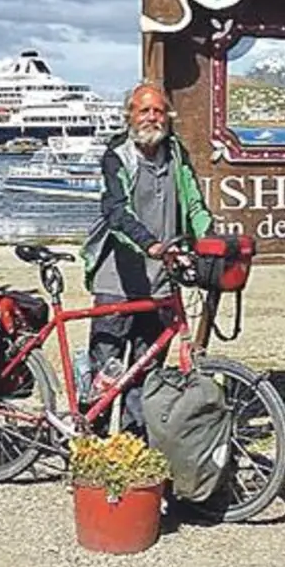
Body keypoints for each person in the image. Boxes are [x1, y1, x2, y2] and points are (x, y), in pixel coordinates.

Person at [80, 82, 214, 437]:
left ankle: (132, 446)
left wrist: (211, 242)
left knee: (146, 370)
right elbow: (116, 212)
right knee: (105, 371)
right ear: (129, 116)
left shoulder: (175, 154)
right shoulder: (117, 155)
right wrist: (151, 244)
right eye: (144, 110)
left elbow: (196, 205)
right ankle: (88, 442)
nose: (152, 117)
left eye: (158, 110)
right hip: (117, 282)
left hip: (161, 282)